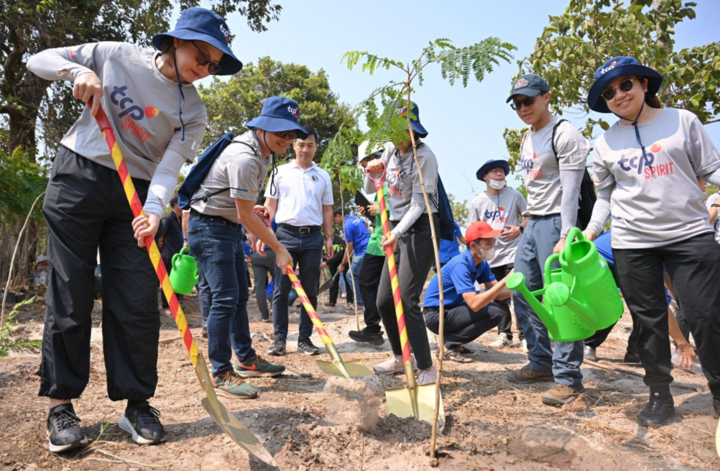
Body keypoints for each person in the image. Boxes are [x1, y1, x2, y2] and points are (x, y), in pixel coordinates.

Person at [28, 7, 241, 452]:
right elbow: (39, 59)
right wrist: (76, 73)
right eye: (201, 57)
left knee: (137, 301)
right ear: (176, 42)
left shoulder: (194, 112)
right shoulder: (116, 55)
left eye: (213, 65)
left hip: (138, 194)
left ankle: (137, 404)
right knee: (71, 293)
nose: (204, 70)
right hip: (79, 176)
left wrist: (154, 209)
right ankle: (61, 404)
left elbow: (168, 167)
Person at [582, 56, 720, 426]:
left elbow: (712, 169)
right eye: (609, 93)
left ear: (644, 84)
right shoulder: (604, 144)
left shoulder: (683, 121)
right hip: (633, 242)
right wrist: (590, 231)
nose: (618, 95)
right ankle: (660, 394)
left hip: (689, 234)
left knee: (706, 315)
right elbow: (605, 198)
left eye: (625, 85)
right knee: (649, 322)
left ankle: (719, 394)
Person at [188, 97, 302, 398]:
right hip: (210, 228)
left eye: (291, 134)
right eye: (281, 132)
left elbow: (244, 209)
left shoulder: (262, 152)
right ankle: (221, 372)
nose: (287, 139)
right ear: (262, 126)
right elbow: (243, 214)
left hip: (226, 228)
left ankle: (247, 359)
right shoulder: (246, 156)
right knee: (225, 298)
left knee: (238, 296)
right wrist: (278, 247)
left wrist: (254, 213)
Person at [504, 74, 590, 406]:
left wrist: (567, 233)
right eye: (518, 103)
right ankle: (540, 362)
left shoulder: (565, 133)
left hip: (558, 223)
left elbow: (570, 190)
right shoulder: (527, 137)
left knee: (559, 298)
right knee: (522, 290)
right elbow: (535, 188)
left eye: (529, 100)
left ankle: (568, 378)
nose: (523, 108)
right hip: (533, 223)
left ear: (546, 97)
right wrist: (526, 224)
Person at [364, 101, 440, 385]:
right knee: (384, 301)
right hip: (393, 226)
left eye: (405, 130)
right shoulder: (390, 151)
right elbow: (374, 186)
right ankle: (399, 356)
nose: (400, 136)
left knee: (407, 300)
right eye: (395, 130)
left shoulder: (425, 158)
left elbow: (419, 205)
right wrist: (371, 170)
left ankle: (426, 366)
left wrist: (398, 233)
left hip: (419, 229)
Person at [265, 126, 335, 357]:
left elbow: (327, 210)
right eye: (301, 144)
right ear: (294, 145)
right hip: (285, 236)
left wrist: (329, 238)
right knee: (281, 290)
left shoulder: (323, 175)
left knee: (310, 290)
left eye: (310, 145)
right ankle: (279, 340)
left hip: (313, 237)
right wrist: (264, 233)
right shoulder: (279, 172)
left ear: (316, 147)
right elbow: (270, 206)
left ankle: (305, 339)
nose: (305, 149)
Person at [423, 222, 512, 362]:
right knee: (494, 312)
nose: (492, 247)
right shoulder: (460, 264)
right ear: (473, 246)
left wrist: (519, 287)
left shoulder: (481, 263)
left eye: (493, 243)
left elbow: (499, 295)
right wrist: (505, 280)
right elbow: (474, 304)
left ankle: (453, 342)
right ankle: (449, 344)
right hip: (436, 315)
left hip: (452, 311)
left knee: (495, 310)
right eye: (488, 244)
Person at [470, 159, 528, 350]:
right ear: (485, 177)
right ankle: (505, 335)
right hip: (491, 257)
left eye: (502, 171)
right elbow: (473, 229)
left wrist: (519, 228)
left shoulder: (514, 195)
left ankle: (526, 335)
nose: (500, 174)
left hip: (514, 253)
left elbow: (529, 215)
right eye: (495, 171)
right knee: (496, 295)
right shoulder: (478, 201)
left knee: (520, 293)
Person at [349, 143, 387, 346]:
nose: (366, 170)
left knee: (386, 290)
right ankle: (372, 329)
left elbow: (405, 204)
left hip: (391, 240)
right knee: (366, 280)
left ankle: (382, 329)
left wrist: (379, 209)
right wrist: (371, 212)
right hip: (378, 240)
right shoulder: (380, 179)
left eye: (366, 164)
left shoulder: (395, 175)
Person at [333, 207, 371, 310]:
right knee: (361, 277)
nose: (335, 222)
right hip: (369, 249)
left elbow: (349, 247)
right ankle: (364, 301)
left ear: (338, 216)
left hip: (362, 253)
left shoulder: (346, 226)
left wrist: (342, 264)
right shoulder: (354, 218)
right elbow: (366, 224)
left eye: (334, 219)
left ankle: (359, 303)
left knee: (351, 275)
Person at [182, 209, 211, 337]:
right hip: (218, 233)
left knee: (204, 284)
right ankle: (218, 323)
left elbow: (185, 215)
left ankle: (206, 323)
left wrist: (186, 239)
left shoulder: (189, 190)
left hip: (198, 236)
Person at [248, 202, 276, 323]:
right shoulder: (272, 215)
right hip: (272, 252)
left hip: (256, 255)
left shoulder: (249, 216)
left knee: (259, 286)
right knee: (278, 282)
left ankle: (264, 316)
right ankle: (275, 310)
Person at [157, 197, 184, 313]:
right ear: (176, 205)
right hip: (168, 254)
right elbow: (160, 237)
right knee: (167, 281)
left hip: (178, 254)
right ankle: (166, 307)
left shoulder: (180, 219)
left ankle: (175, 305)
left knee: (177, 281)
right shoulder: (168, 219)